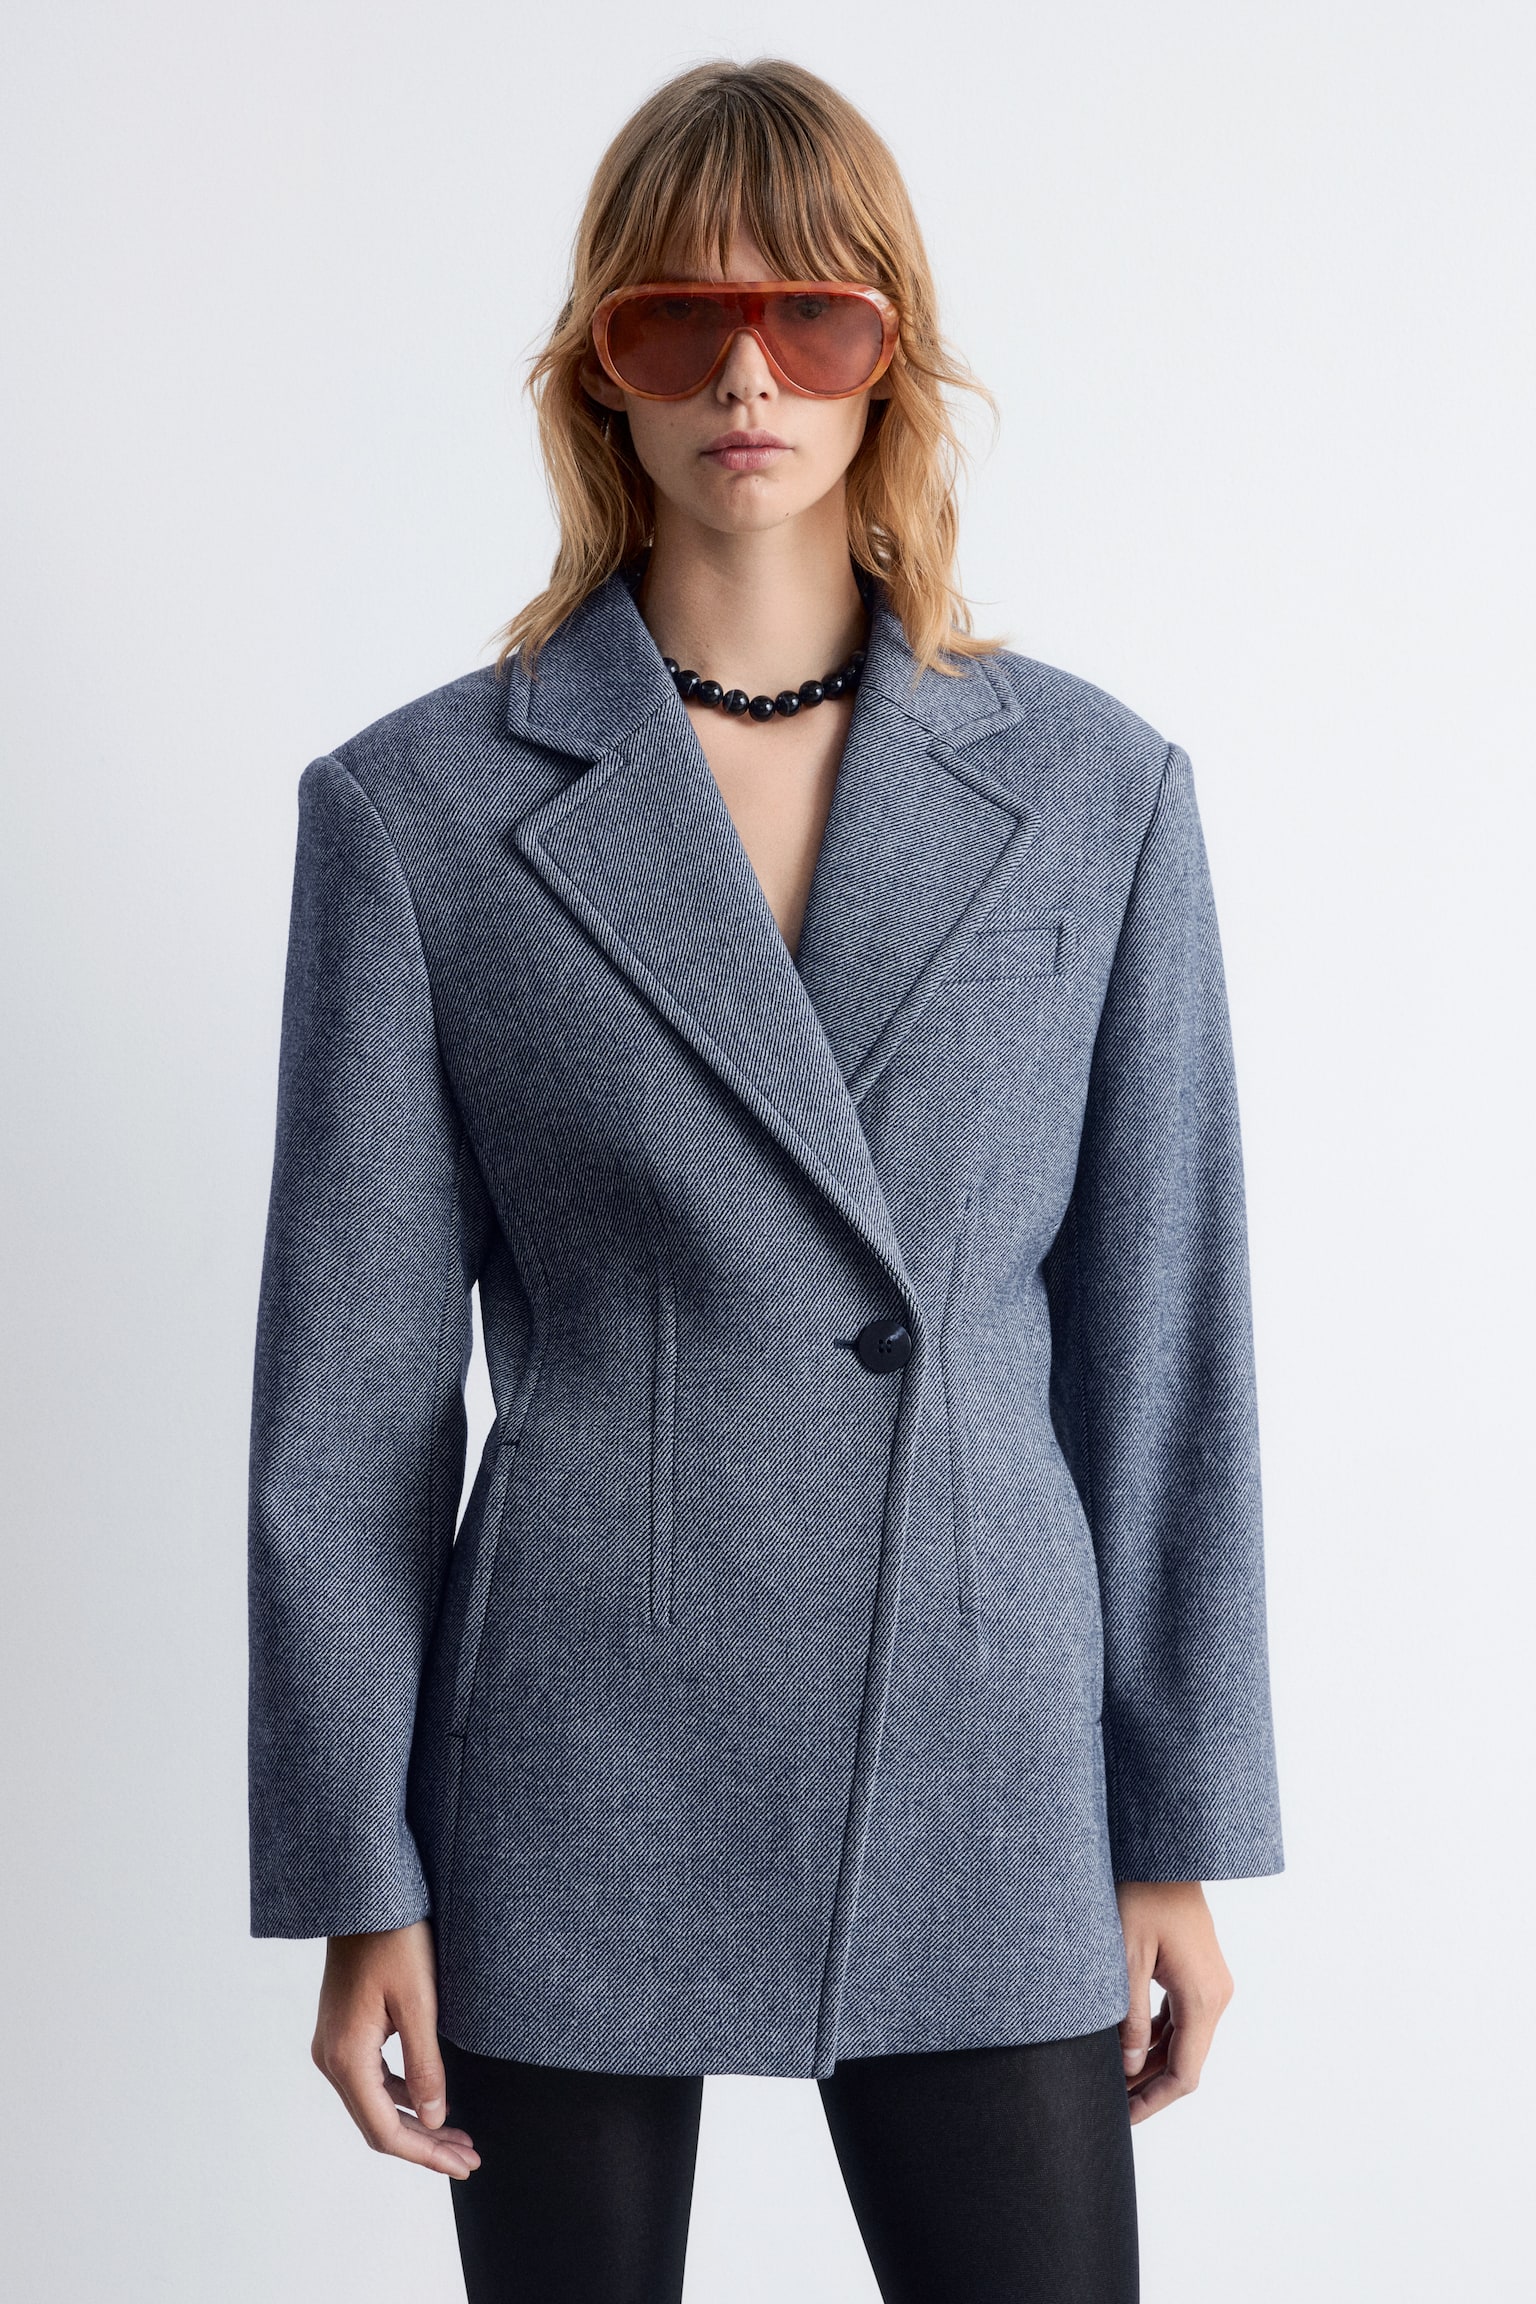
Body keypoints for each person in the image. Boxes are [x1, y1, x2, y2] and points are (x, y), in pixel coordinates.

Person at [247, 55, 1284, 2304]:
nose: (747, 375)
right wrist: (356, 1871)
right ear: (595, 365)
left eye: (812, 314)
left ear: (890, 350)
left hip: (986, 1743)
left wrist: (1176, 1825)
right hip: (573, 1750)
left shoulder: (1097, 791)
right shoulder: (419, 810)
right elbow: (348, 1404)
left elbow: (1164, 1345)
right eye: (679, 317)